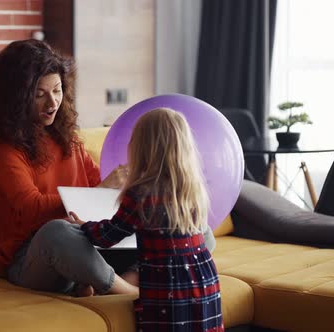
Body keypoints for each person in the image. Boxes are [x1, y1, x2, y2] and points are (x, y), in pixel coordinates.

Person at [0, 39, 137, 297]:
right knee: (57, 232)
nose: (52, 103)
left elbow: (99, 186)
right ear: (16, 98)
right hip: (35, 256)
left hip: (89, 241)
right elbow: (29, 209)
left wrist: (135, 191)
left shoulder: (66, 137)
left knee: (179, 219)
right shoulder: (2, 146)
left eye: (57, 90)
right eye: (39, 95)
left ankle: (116, 281)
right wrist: (98, 190)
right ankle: (127, 292)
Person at [69, 108, 224, 332]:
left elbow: (109, 235)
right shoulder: (192, 189)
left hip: (168, 287)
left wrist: (84, 225)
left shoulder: (141, 193)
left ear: (141, 148)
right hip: (204, 281)